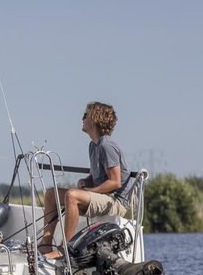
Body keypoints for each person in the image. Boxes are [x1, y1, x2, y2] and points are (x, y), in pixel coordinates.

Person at [40, 101, 133, 260]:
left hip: (116, 200)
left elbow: (115, 182)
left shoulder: (106, 146)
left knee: (72, 196)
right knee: (51, 194)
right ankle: (45, 244)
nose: (82, 118)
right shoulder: (93, 145)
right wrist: (86, 181)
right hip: (103, 196)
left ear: (94, 119)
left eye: (85, 115)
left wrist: (88, 191)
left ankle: (65, 249)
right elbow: (96, 176)